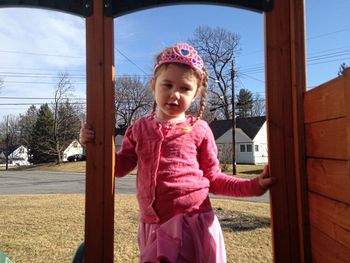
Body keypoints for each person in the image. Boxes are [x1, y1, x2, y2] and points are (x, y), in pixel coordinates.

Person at [80, 42, 274, 263]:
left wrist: (254, 185)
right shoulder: (138, 129)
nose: (175, 94)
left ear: (196, 94)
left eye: (184, 88)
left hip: (192, 224)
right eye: (168, 85)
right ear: (153, 85)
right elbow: (119, 167)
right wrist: (94, 146)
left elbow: (215, 179)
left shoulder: (200, 129)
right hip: (153, 226)